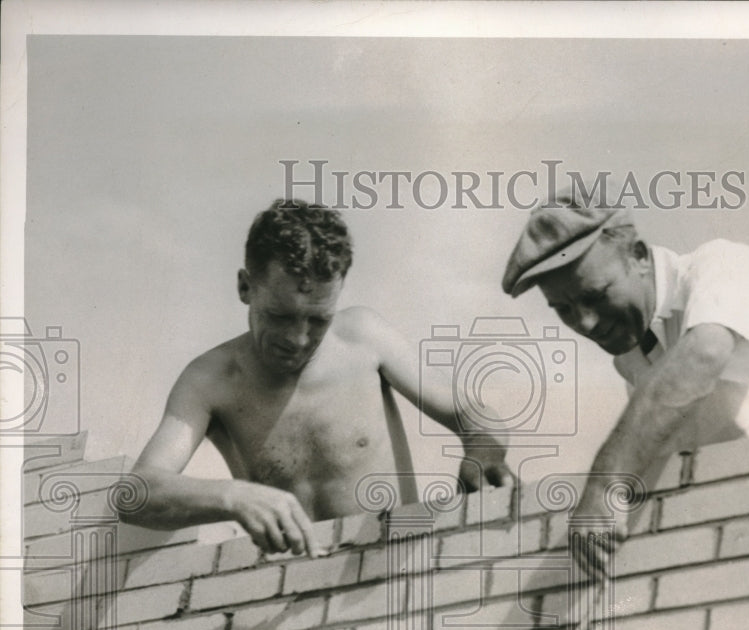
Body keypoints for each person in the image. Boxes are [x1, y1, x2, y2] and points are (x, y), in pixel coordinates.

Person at [502, 182, 749, 579]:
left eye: (597, 296)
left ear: (637, 256)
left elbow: (704, 353)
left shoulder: (724, 265)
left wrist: (606, 483)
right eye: (564, 309)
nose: (585, 322)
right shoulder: (634, 360)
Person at [122, 199, 512, 556]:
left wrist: (483, 449)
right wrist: (234, 497)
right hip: (286, 602)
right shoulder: (210, 379)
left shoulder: (364, 338)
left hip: (391, 576)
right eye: (280, 316)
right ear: (245, 287)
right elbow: (135, 493)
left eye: (318, 319)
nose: (299, 339)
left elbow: (475, 415)